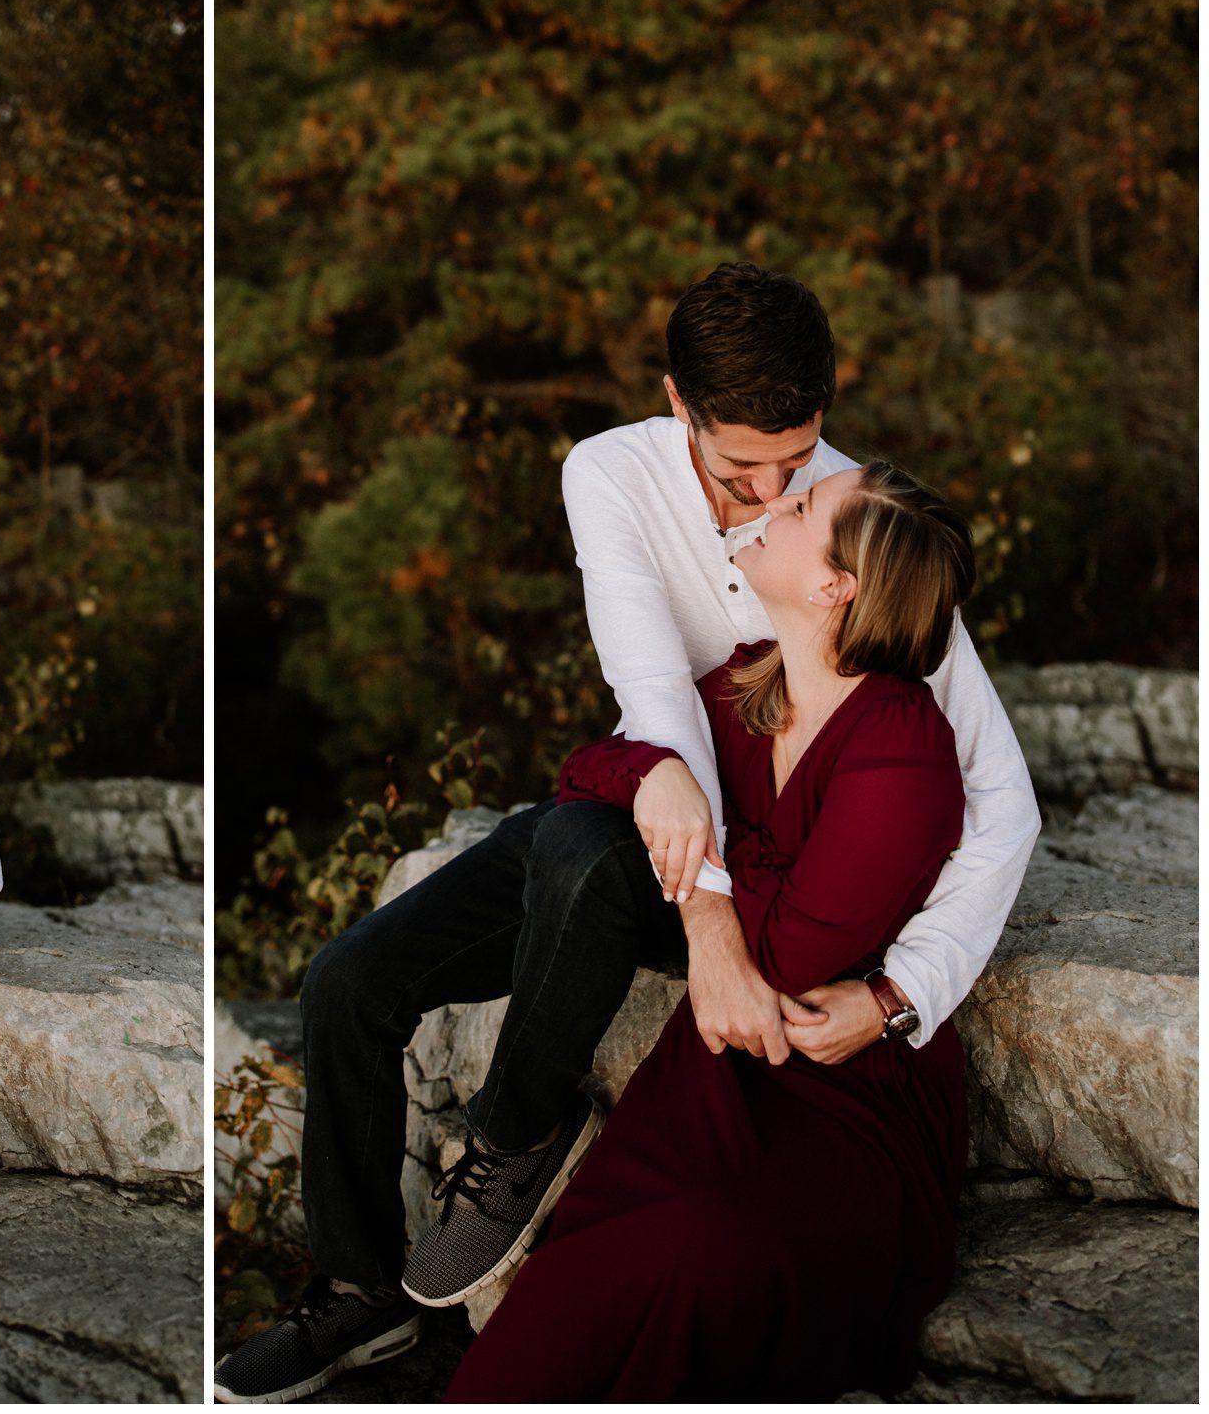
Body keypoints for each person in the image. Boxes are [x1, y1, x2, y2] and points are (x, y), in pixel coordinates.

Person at [211, 265, 1039, 1404]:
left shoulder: (859, 524)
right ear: (674, 403)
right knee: (348, 980)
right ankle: (358, 1298)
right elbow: (651, 697)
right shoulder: (608, 473)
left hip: (748, 882)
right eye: (737, 469)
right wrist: (667, 819)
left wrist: (900, 993)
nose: (763, 495)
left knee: (580, 853)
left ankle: (511, 1138)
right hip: (662, 825)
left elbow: (997, 798)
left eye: (792, 467)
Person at [447, 460, 975, 1399]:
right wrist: (661, 780)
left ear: (834, 585)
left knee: (711, 1252)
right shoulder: (745, 684)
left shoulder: (902, 744)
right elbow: (590, 770)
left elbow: (782, 958)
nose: (776, 502)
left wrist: (701, 842)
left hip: (838, 1095)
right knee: (568, 1305)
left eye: (804, 505)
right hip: (706, 1080)